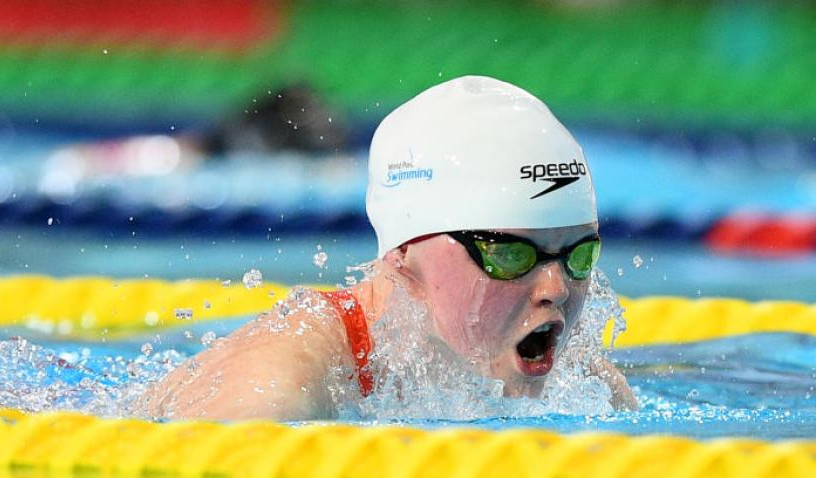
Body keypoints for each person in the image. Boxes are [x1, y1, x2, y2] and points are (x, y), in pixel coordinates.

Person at [144, 75, 637, 421]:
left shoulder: (586, 386)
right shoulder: (276, 390)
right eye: (509, 254)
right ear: (403, 253)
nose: (556, 288)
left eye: (579, 255)